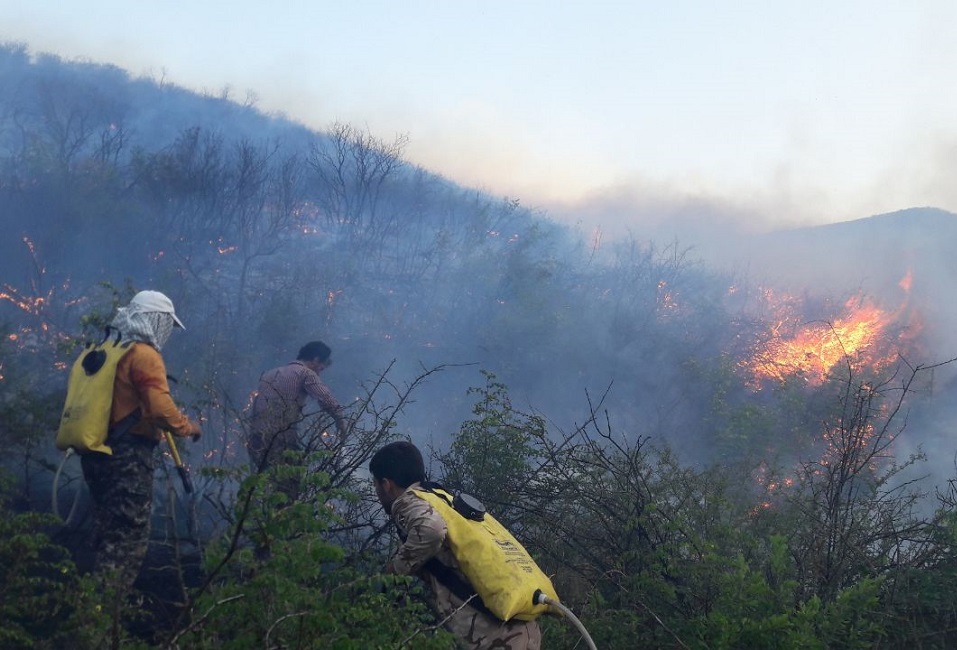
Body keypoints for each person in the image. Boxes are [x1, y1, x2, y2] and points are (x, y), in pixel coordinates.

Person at [79, 290, 202, 594]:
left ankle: (91, 604)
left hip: (96, 452)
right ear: (155, 320)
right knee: (127, 537)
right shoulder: (144, 355)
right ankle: (104, 617)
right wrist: (187, 428)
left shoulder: (109, 349)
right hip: (127, 456)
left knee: (109, 529)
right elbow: (160, 409)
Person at [369, 441, 542, 650]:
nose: (377, 491)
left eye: (376, 484)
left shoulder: (408, 502)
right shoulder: (441, 499)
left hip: (494, 638)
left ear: (387, 484)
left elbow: (431, 530)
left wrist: (394, 570)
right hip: (520, 631)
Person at [246, 340, 347, 474]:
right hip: (278, 440)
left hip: (255, 439)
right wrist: (341, 422)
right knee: (288, 483)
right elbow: (326, 399)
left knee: (264, 484)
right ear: (316, 360)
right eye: (321, 368)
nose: (319, 374)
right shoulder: (305, 373)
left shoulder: (269, 374)